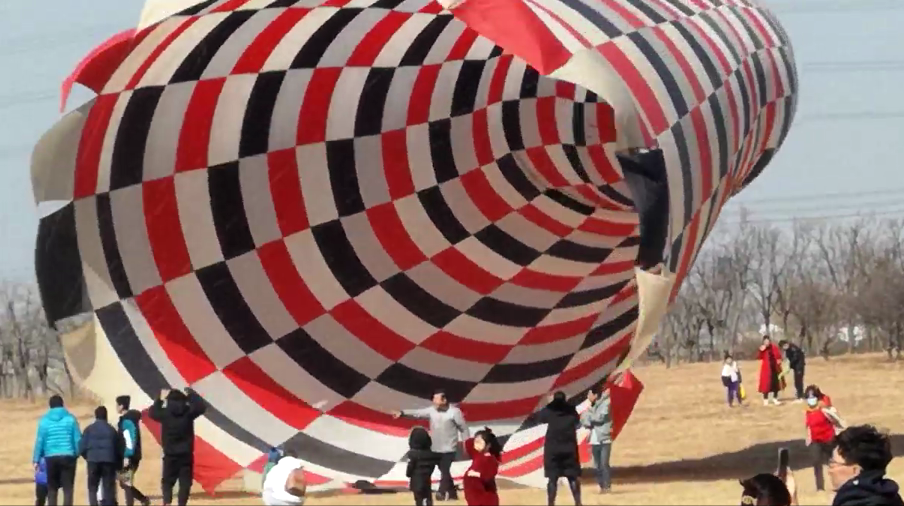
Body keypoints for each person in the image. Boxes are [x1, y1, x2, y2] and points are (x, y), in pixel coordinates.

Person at [393, 390, 469, 501]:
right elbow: (417, 413)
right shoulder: (432, 411)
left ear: (444, 400)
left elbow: (463, 428)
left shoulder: (455, 412)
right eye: (433, 399)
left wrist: (466, 443)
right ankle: (452, 493)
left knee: (445, 470)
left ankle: (441, 492)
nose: (433, 401)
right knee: (444, 471)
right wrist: (402, 413)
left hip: (449, 448)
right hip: (434, 448)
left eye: (436, 399)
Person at [149, 387, 207, 506]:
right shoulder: (188, 413)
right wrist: (191, 394)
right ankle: (182, 503)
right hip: (186, 455)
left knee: (167, 482)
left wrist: (159, 399)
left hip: (170, 455)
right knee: (185, 483)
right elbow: (201, 407)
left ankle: (167, 502)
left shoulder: (165, 414)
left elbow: (152, 412)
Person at [829, 425, 904, 506]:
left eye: (833, 464)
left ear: (856, 470)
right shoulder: (891, 497)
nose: (830, 471)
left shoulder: (854, 502)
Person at [534, 391, 582, 506]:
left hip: (553, 449)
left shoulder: (550, 410)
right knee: (573, 477)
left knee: (552, 478)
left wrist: (546, 403)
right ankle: (578, 503)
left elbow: (539, 418)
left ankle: (551, 503)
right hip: (569, 448)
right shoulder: (570, 410)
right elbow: (577, 421)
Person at [33, 394, 82, 506]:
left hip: (50, 457)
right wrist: (77, 453)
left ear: (50, 406)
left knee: (52, 488)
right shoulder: (71, 419)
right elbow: (77, 439)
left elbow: (40, 441)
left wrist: (36, 459)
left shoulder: (44, 421)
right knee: (68, 488)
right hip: (68, 456)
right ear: (62, 405)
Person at [79, 406, 123, 506]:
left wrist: (88, 457)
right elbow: (118, 448)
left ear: (96, 416)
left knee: (92, 487)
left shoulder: (89, 429)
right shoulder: (111, 430)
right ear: (106, 416)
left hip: (93, 461)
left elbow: (81, 447)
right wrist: (118, 463)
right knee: (108, 487)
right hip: (108, 461)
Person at [116, 395, 149, 506]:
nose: (116, 407)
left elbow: (130, 440)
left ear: (121, 406)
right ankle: (143, 499)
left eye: (117, 404)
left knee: (126, 483)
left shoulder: (127, 421)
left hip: (130, 456)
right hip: (130, 455)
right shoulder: (127, 419)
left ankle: (138, 501)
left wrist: (127, 456)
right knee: (124, 483)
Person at [803, 386, 837, 492]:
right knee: (816, 462)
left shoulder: (825, 408)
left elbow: (836, 419)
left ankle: (836, 484)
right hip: (815, 440)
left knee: (832, 462)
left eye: (812, 396)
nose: (810, 399)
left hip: (829, 439)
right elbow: (808, 426)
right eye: (808, 397)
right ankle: (820, 487)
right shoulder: (807, 411)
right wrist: (808, 439)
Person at [580, 386, 613, 494]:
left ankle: (607, 486)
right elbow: (584, 420)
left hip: (604, 439)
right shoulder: (589, 406)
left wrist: (589, 417)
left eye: (589, 394)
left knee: (604, 464)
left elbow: (600, 418)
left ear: (595, 395)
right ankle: (601, 486)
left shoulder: (606, 403)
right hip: (593, 440)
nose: (588, 397)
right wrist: (589, 418)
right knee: (597, 465)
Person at [463, 428, 501, 506]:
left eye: (480, 442)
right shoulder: (477, 454)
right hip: (474, 498)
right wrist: (480, 436)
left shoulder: (491, 459)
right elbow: (468, 443)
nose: (477, 444)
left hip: (485, 499)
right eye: (476, 442)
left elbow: (489, 476)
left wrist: (477, 474)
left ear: (488, 445)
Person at [406, 427, 441, 506]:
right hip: (427, 480)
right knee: (428, 498)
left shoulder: (412, 454)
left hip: (416, 481)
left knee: (419, 500)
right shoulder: (432, 454)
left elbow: (410, 467)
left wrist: (408, 474)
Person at [757, 336, 784, 406]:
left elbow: (779, 356)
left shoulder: (774, 347)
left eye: (768, 341)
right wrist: (761, 351)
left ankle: (775, 398)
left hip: (775, 368)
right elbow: (759, 357)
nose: (767, 343)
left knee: (776, 385)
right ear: (763, 342)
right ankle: (765, 400)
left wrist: (779, 360)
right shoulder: (763, 348)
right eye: (765, 341)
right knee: (766, 385)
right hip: (766, 369)